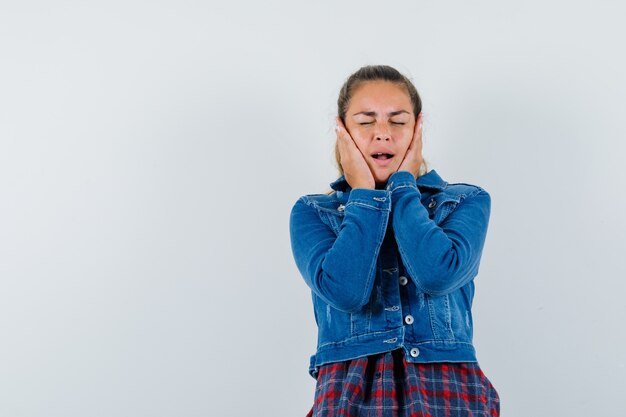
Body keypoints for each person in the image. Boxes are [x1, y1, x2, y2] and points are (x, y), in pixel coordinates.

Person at [289, 65, 500, 417]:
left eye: (398, 122)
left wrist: (403, 184)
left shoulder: (465, 201)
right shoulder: (313, 212)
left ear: (418, 128)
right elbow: (346, 292)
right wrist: (364, 194)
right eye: (366, 121)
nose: (382, 134)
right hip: (348, 390)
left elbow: (436, 274)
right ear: (342, 131)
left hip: (448, 393)